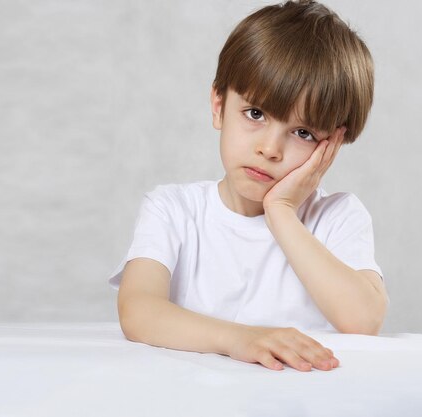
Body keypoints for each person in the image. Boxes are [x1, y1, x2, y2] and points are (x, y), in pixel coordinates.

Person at [107, 0, 389, 372]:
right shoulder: (173, 209)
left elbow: (364, 321)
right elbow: (138, 311)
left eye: (302, 133)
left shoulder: (336, 217)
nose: (270, 149)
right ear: (218, 106)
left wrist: (281, 211)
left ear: (332, 145)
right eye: (255, 114)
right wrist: (241, 338)